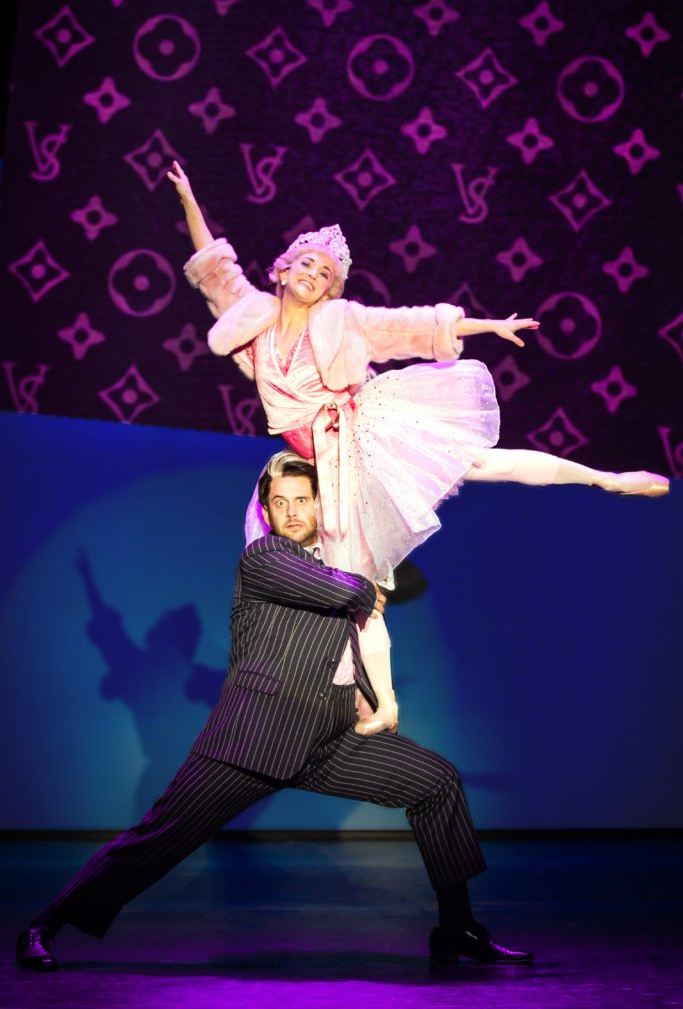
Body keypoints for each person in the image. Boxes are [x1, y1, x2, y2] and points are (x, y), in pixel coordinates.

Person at [168, 162, 668, 737]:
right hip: (323, 463)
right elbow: (214, 269)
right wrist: (188, 196)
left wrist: (487, 326)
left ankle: (607, 479)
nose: (312, 273)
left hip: (361, 429)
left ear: (333, 288)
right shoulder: (251, 318)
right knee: (354, 583)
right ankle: (381, 706)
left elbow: (407, 325)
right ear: (282, 269)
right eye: (305, 262)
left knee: (479, 462)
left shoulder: (343, 320)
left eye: (325, 272)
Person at [16, 455, 533, 972]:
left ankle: (457, 926)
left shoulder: (341, 552)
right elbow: (348, 590)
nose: (290, 511)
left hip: (328, 740)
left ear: (320, 504)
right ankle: (46, 924)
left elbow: (384, 595)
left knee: (436, 780)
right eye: (279, 502)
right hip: (251, 741)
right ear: (266, 510)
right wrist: (366, 583)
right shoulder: (264, 557)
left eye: (301, 500)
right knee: (159, 838)